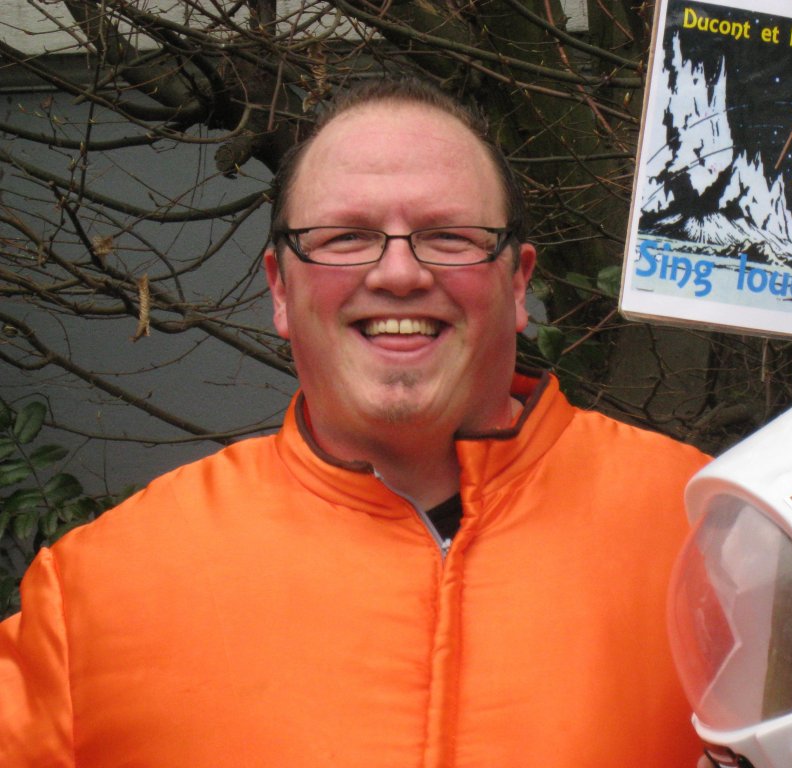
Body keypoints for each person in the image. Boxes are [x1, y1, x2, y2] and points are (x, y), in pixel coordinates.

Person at [0, 77, 711, 767]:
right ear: (280, 288)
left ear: (519, 281)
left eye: (449, 235)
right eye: (345, 236)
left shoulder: (714, 536)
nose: (398, 273)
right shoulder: (98, 592)